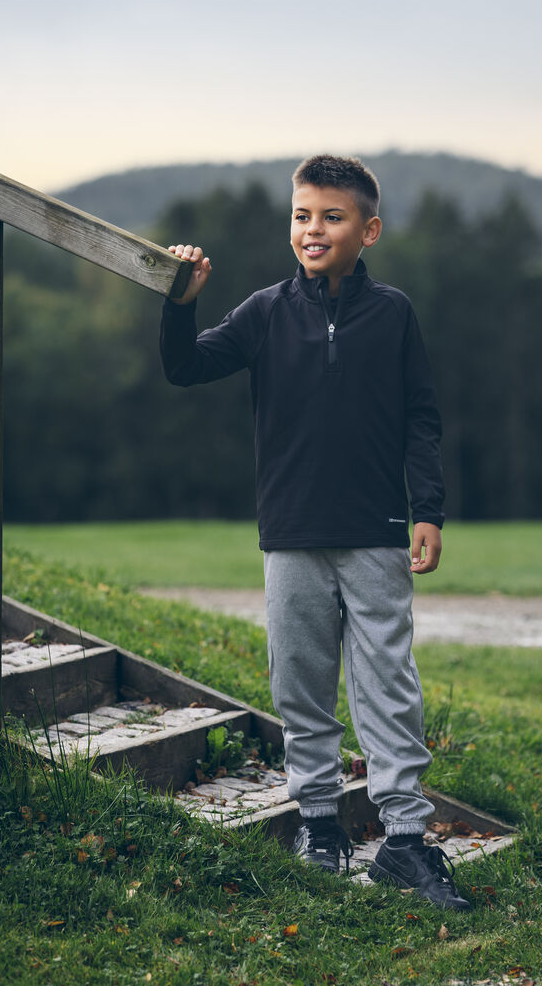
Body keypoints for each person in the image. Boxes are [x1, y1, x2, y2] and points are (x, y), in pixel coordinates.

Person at [160, 154, 469, 910]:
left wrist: (427, 510)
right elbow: (185, 367)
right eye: (302, 215)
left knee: (387, 685)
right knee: (299, 683)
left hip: (375, 533)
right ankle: (320, 826)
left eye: (332, 216)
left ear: (369, 230)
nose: (313, 229)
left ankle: (404, 841)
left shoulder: (392, 313)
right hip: (291, 533)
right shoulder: (264, 311)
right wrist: (179, 303)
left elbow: (421, 419)